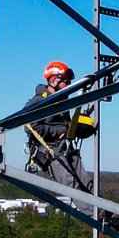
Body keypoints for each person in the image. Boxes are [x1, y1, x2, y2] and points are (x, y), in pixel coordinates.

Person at [23, 60, 96, 193]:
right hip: (49, 151)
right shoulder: (38, 101)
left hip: (64, 148)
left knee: (87, 183)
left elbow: (65, 124)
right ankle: (91, 207)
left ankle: (102, 205)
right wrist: (59, 131)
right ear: (53, 81)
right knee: (72, 186)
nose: (68, 85)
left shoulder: (62, 101)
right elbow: (30, 127)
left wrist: (77, 128)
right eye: (66, 82)